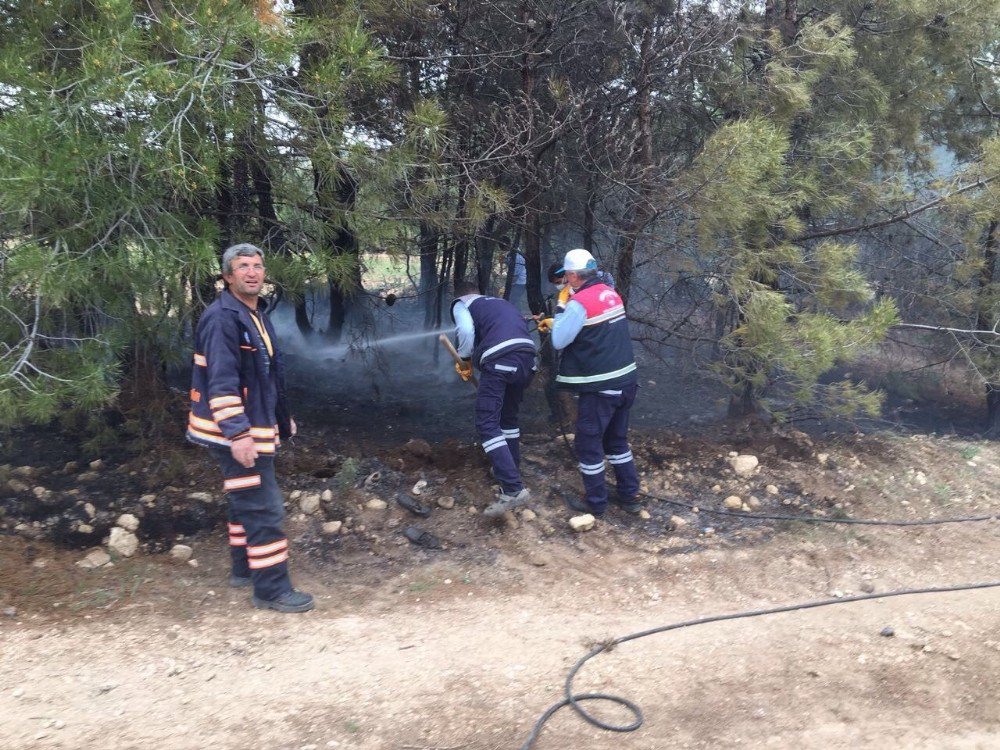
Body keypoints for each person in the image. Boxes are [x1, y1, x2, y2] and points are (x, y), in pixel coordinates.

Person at [186, 243, 314, 613]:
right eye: (243, 267)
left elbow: (267, 375)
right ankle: (271, 590)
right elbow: (221, 382)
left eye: (257, 266)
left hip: (252, 425)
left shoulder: (253, 313)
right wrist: (238, 434)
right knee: (264, 508)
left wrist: (279, 416)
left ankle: (245, 571)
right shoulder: (223, 318)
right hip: (234, 432)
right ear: (227, 276)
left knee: (244, 501)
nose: (252, 272)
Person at [536, 248, 641, 516]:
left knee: (588, 443)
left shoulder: (578, 303)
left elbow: (559, 341)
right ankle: (629, 495)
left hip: (601, 386)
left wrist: (560, 311)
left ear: (572, 275)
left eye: (567, 276)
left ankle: (595, 504)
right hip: (626, 381)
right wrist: (560, 319)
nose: (566, 281)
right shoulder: (610, 293)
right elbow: (594, 327)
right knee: (616, 441)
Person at [451, 280, 537, 517]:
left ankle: (512, 489)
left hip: (501, 360)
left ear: (460, 295)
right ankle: (510, 467)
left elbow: (466, 331)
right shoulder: (499, 303)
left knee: (487, 423)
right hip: (527, 360)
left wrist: (465, 359)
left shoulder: (461, 304)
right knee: (507, 420)